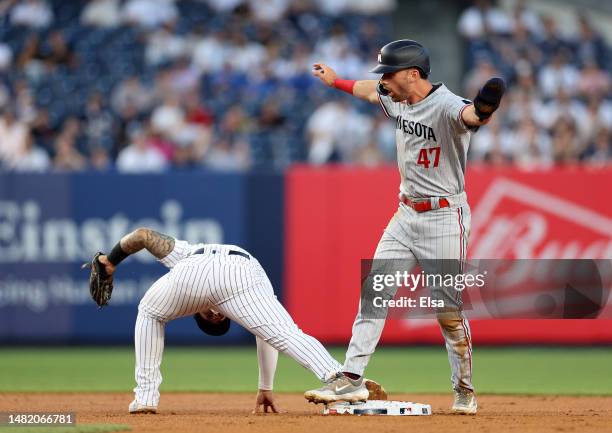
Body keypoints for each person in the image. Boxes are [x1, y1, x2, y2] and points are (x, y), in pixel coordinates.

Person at [305, 39, 505, 414]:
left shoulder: (445, 105)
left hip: (445, 216)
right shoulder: (395, 96)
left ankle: (464, 389)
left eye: (389, 73)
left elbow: (471, 117)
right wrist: (337, 83)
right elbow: (368, 91)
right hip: (405, 215)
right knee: (374, 293)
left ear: (412, 74)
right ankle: (351, 379)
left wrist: (486, 107)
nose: (384, 80)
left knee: (448, 312)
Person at [91, 227, 384, 413]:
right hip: (240, 271)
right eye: (216, 319)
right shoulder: (188, 255)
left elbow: (142, 236)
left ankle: (340, 380)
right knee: (286, 333)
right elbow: (142, 235)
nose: (216, 313)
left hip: (202, 269)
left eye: (214, 318)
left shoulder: (183, 252)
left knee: (150, 312)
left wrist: (111, 260)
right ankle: (144, 398)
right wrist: (111, 259)